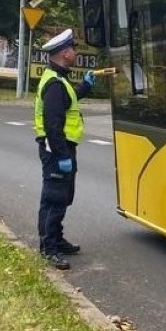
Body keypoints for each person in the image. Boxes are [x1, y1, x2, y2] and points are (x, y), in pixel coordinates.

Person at [34, 28, 96, 270]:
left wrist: (85, 87)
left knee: (60, 196)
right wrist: (61, 156)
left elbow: (67, 102)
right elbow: (53, 124)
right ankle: (49, 248)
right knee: (54, 198)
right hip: (57, 149)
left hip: (62, 148)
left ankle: (56, 239)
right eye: (73, 49)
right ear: (65, 52)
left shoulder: (58, 79)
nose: (76, 52)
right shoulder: (54, 84)